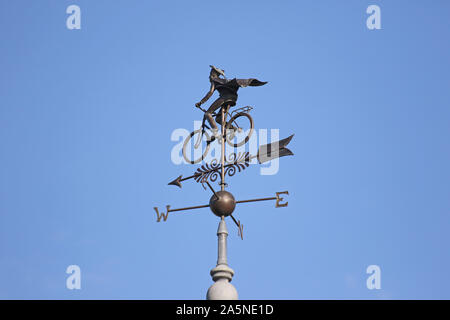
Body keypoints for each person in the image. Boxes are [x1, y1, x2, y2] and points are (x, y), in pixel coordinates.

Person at [195, 65, 267, 139]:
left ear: (213, 75)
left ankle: (215, 131)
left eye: (210, 74)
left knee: (208, 113)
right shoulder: (224, 81)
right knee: (218, 119)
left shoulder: (214, 80)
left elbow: (210, 93)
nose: (209, 76)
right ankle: (233, 129)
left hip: (224, 98)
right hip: (233, 98)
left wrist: (201, 102)